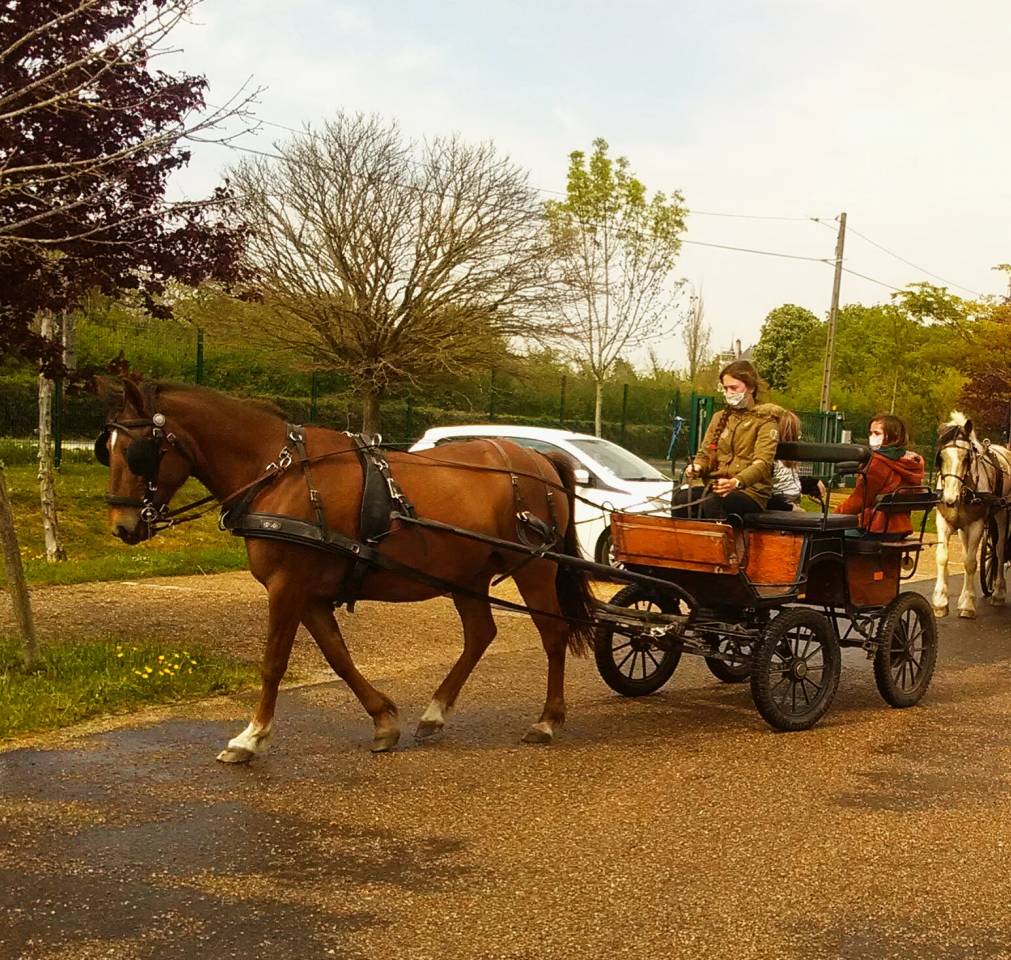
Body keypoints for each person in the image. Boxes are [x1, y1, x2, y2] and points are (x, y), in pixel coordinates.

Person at [673, 359, 783, 519]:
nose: (728, 392)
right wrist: (697, 467)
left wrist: (736, 482)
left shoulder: (766, 421)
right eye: (725, 388)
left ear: (751, 388)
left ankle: (723, 542)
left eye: (734, 387)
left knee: (713, 501)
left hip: (750, 493)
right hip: (715, 488)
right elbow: (704, 454)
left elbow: (763, 464)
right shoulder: (719, 418)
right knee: (680, 498)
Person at [835, 413, 924, 536]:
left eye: (877, 433)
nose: (872, 437)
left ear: (893, 436)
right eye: (870, 433)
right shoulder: (912, 462)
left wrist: (834, 515)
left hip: (874, 527)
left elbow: (859, 501)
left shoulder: (878, 463)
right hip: (901, 528)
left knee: (824, 536)